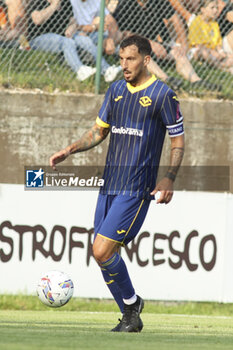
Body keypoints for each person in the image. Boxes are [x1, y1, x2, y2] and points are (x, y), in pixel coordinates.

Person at [49, 34, 185, 332]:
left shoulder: (163, 95)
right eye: (121, 59)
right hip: (109, 184)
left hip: (136, 189)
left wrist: (169, 177)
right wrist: (69, 150)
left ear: (146, 60)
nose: (124, 65)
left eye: (131, 59)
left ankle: (132, 307)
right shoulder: (115, 91)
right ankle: (130, 313)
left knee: (101, 250)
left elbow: (177, 140)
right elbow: (99, 132)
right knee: (103, 254)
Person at [112, 0, 219, 91]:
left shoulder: (157, 2)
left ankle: (196, 80)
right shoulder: (125, 3)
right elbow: (122, 33)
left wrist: (183, 45)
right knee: (142, 55)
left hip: (156, 44)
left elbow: (175, 19)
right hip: (135, 45)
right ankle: (166, 80)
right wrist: (148, 42)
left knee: (178, 54)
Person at [26, 0, 96, 81]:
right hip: (38, 38)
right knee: (66, 42)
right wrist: (54, 5)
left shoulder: (66, 2)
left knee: (83, 39)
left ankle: (105, 69)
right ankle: (80, 70)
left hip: (61, 37)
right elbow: (37, 20)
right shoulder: (38, 1)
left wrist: (71, 29)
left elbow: (73, 21)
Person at [65, 0, 121, 83]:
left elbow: (111, 21)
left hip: (93, 32)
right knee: (84, 40)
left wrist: (110, 39)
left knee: (112, 42)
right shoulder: (71, 2)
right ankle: (106, 70)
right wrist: (91, 27)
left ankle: (131, 64)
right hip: (77, 33)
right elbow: (71, 26)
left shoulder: (97, 1)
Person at [188, 0, 233, 74]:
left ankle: (220, 64)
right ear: (203, 10)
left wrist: (221, 52)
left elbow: (218, 43)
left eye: (216, 8)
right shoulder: (196, 22)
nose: (215, 10)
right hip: (199, 50)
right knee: (204, 52)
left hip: (214, 51)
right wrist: (213, 52)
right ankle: (221, 67)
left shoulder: (214, 23)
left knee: (231, 57)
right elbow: (198, 45)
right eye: (212, 8)